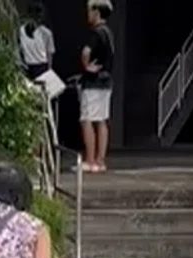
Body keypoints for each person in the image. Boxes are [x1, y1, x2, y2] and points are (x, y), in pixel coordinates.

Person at [78, 0, 114, 173]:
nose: (88, 14)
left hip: (93, 83)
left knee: (86, 119)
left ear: (97, 12)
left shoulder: (96, 33)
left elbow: (85, 52)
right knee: (102, 120)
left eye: (90, 11)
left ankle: (90, 160)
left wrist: (86, 66)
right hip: (106, 82)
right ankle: (100, 161)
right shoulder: (109, 33)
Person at [17, 11, 56, 80]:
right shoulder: (21, 31)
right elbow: (49, 53)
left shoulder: (46, 33)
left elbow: (49, 53)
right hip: (31, 66)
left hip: (38, 66)